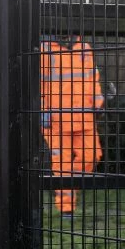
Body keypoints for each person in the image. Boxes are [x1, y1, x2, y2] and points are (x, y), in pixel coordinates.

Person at [40, 36, 105, 216]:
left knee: (92, 156)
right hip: (55, 121)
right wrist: (42, 110)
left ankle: (70, 185)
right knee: (62, 164)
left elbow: (93, 78)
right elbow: (37, 84)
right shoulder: (45, 49)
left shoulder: (84, 47)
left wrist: (98, 103)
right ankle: (66, 208)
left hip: (84, 117)